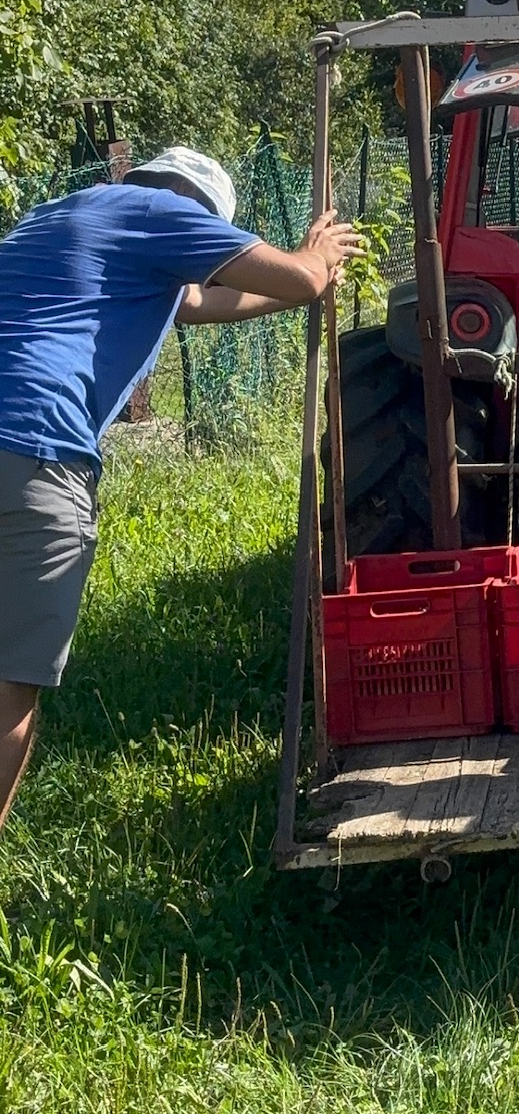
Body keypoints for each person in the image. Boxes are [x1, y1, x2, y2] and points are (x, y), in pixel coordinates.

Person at [0, 146, 359, 834]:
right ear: (202, 213)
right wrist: (317, 256)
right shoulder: (165, 213)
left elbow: (194, 300)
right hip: (35, 452)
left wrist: (287, 285)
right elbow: (298, 281)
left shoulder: (58, 217)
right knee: (11, 690)